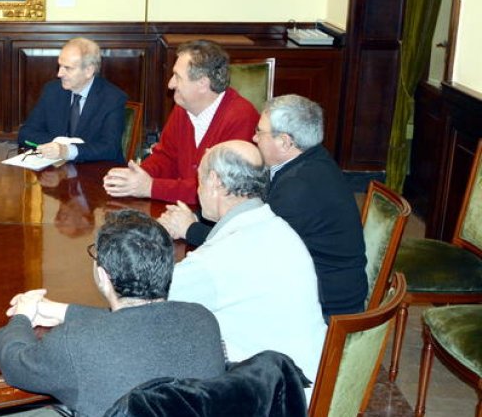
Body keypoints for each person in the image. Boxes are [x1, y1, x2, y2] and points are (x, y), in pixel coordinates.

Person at [0, 209, 225, 417]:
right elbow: (136, 328)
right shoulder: (202, 320)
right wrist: (66, 312)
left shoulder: (75, 343)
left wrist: (21, 317)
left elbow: (14, 364)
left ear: (104, 276)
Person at [160, 94, 367, 319]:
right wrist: (199, 217)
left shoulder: (299, 188)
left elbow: (247, 252)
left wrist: (190, 229)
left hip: (326, 308)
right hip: (316, 286)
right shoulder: (307, 162)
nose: (254, 138)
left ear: (286, 142)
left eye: (260, 131)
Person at [167, 141, 326, 390]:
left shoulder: (218, 258)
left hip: (276, 397)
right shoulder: (278, 228)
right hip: (309, 378)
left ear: (215, 181)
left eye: (199, 181)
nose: (198, 192)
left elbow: (149, 300)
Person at [104, 39, 257, 203]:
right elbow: (166, 157)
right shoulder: (183, 107)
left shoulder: (241, 118)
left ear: (202, 83)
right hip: (180, 208)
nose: (170, 84)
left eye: (177, 77)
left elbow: (221, 191)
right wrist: (137, 176)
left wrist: (151, 187)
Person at [18, 37, 128, 162]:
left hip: (97, 172)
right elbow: (25, 134)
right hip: (56, 171)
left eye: (68, 68)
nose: (59, 74)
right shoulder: (52, 91)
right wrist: (56, 145)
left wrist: (68, 151)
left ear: (89, 70)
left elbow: (110, 148)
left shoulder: (112, 98)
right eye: (60, 66)